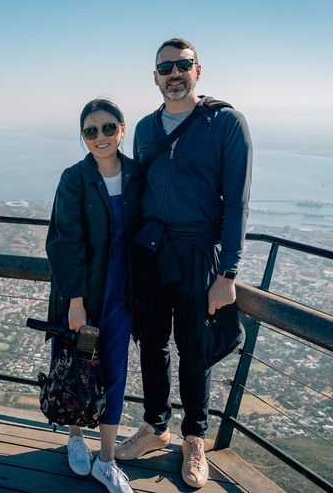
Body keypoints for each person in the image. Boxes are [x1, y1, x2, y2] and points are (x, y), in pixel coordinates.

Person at [114, 38, 252, 489]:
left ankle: (194, 437)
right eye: (165, 67)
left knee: (195, 348)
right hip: (151, 251)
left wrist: (227, 273)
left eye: (182, 65)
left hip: (197, 254)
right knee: (150, 344)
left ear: (198, 70)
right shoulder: (146, 127)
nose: (174, 73)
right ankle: (156, 428)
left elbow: (237, 203)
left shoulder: (226, 123)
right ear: (155, 77)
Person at [45, 98, 143, 493]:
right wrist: (75, 301)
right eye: (90, 131)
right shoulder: (74, 179)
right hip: (83, 300)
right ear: (83, 137)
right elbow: (64, 242)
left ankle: (106, 459)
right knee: (74, 366)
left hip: (123, 298)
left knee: (114, 374)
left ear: (122, 129)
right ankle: (74, 438)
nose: (99, 137)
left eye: (107, 128)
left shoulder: (139, 175)